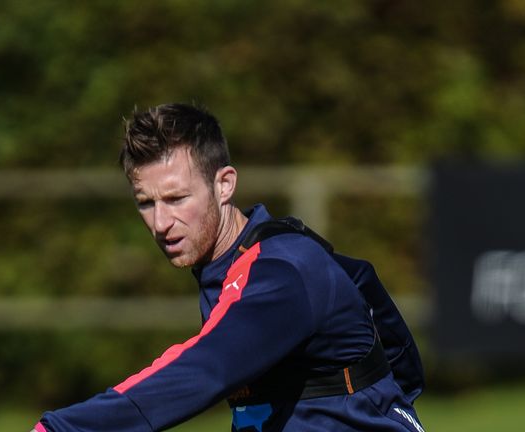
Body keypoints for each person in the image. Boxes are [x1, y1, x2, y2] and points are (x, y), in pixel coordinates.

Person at [31, 103, 425, 432]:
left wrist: (61, 428)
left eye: (177, 198)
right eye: (146, 203)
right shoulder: (237, 263)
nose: (160, 222)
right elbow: (362, 282)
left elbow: (204, 370)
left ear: (224, 185)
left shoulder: (282, 271)